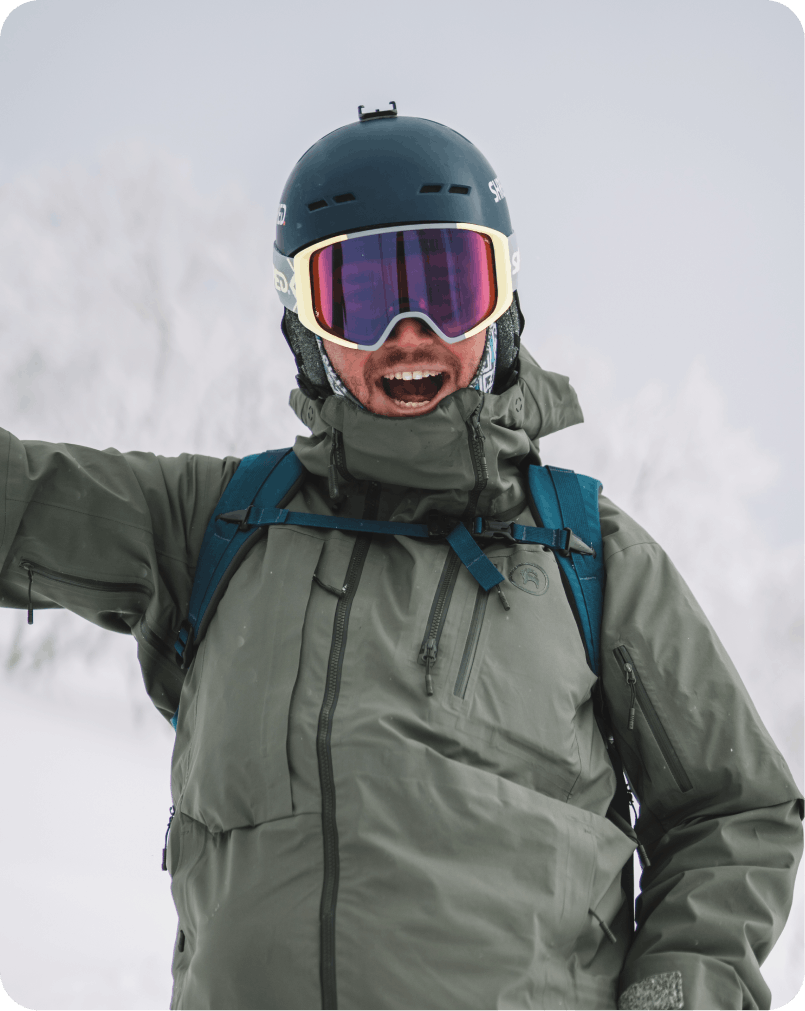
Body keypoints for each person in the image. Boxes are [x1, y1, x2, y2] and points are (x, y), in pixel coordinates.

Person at [0, 107, 801, 1011]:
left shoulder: (587, 551)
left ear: (501, 303)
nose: (409, 330)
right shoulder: (213, 526)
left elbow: (735, 808)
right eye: (363, 293)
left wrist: (678, 988)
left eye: (448, 287)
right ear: (306, 326)